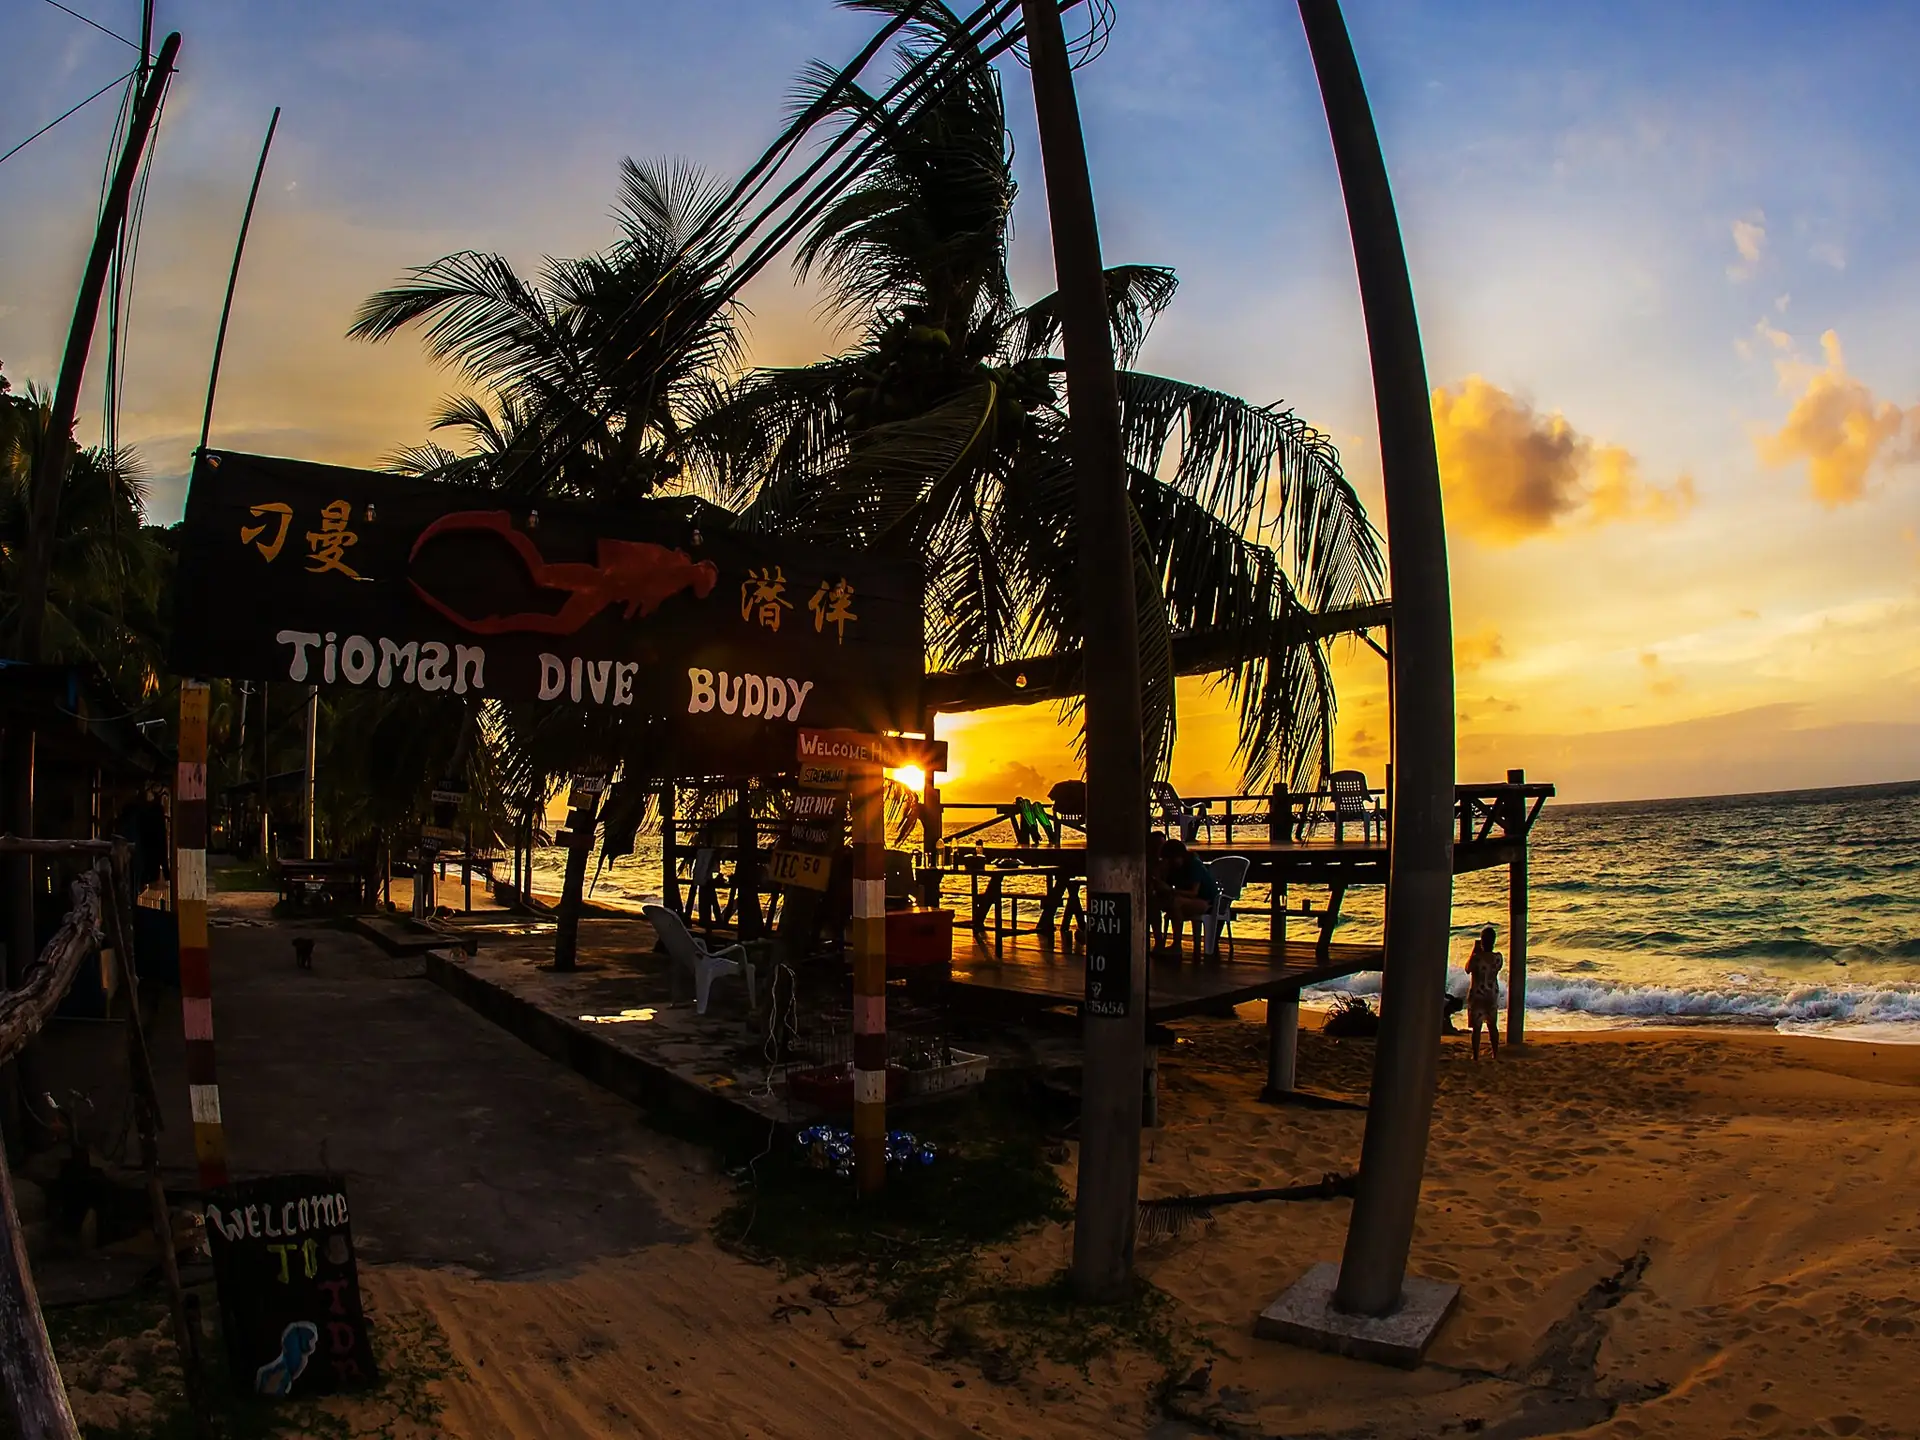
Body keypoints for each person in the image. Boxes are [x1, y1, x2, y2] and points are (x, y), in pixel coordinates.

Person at [1159, 837, 1218, 955]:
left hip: (1206, 901)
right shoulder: (1174, 868)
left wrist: (1171, 890)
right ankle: (1165, 943)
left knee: (1176, 902)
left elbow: (1193, 892)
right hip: (1188, 900)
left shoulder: (1194, 864)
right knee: (1170, 903)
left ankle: (1177, 944)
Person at [1466, 924, 1503, 1060]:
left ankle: (1475, 1055)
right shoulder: (1498, 958)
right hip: (1491, 994)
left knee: (1477, 1028)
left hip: (1478, 994)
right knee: (1492, 1026)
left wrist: (1473, 952)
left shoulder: (1477, 958)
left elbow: (1468, 969)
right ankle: (1495, 1053)